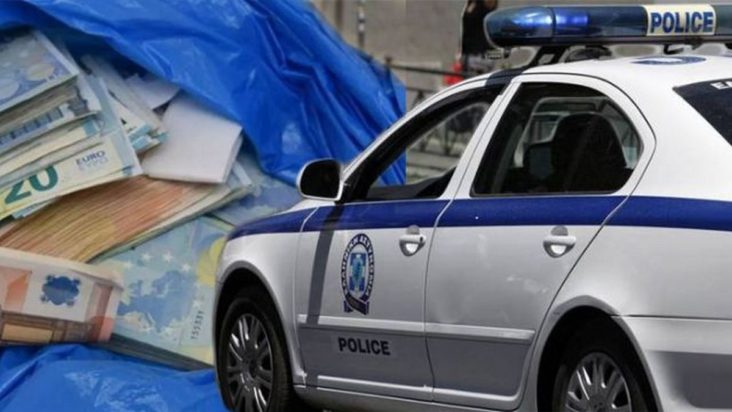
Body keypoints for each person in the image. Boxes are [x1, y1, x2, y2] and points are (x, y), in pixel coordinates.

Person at [460, 0, 498, 75]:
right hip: (469, 54)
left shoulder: (485, 5)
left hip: (481, 55)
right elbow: (466, 30)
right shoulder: (471, 4)